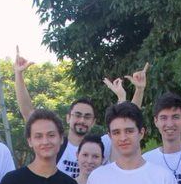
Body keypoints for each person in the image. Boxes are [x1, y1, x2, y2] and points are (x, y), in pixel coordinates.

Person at [14, 48, 151, 176]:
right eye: (77, 115)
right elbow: (28, 113)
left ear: (93, 122)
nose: (81, 120)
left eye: (87, 117)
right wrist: (19, 75)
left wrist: (138, 90)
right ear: (68, 118)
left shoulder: (102, 145)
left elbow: (128, 119)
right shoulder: (57, 144)